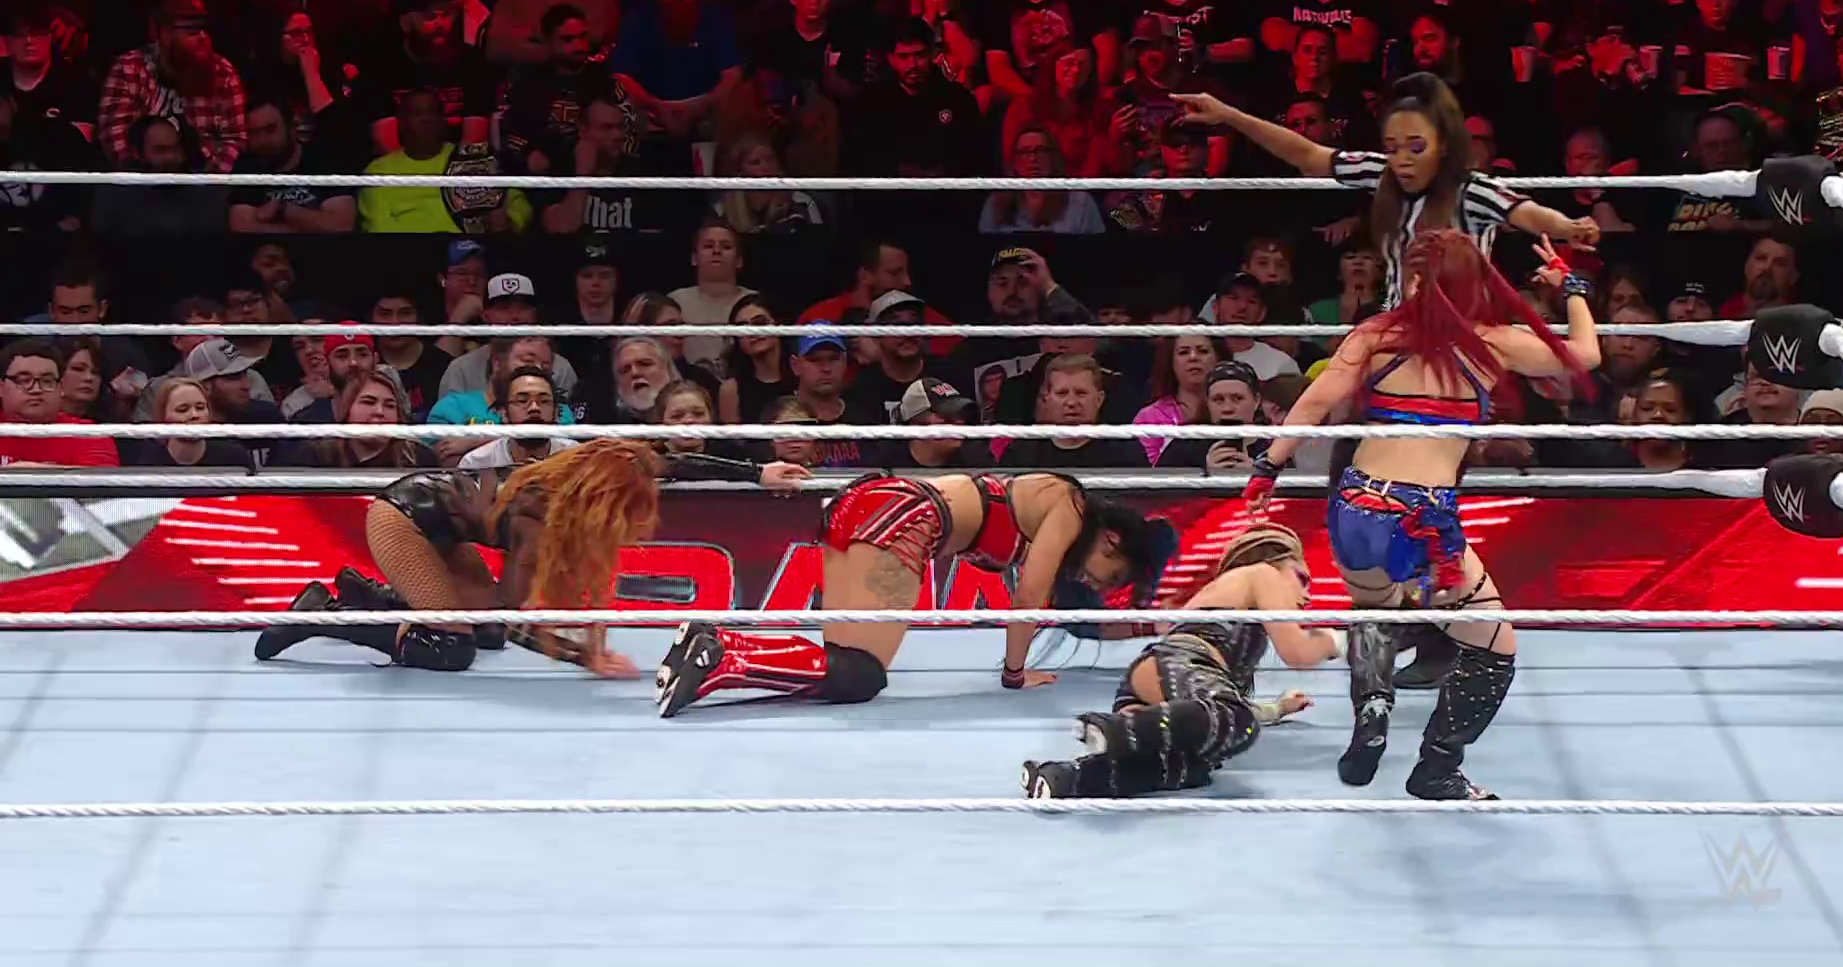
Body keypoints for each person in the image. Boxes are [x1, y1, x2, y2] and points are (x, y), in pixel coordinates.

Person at [1244, 229, 1600, 801]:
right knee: (1494, 646)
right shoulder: (1492, 342)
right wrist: (1572, 287)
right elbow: (1585, 355)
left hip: (1356, 503)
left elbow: (1315, 401)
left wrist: (1269, 466)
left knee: (1372, 611)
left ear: (1411, 280)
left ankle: (1373, 709)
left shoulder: (1376, 333)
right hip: (1420, 516)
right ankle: (1437, 768)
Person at [255, 439, 811, 677]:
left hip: (444, 523)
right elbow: (513, 616)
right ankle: (326, 613)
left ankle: (373, 596)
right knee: (453, 647)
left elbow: (673, 462)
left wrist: (757, 472)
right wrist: (582, 657)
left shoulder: (601, 465)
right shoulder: (538, 522)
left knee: (481, 634)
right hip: (401, 519)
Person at [654, 473, 1179, 716]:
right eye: (1111, 575)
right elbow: (1028, 599)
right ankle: (722, 649)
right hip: (906, 516)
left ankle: (720, 655)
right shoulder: (1071, 505)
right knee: (862, 673)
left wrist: (1158, 624)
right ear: (1112, 540)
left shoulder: (1054, 525)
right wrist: (1015, 675)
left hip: (869, 502)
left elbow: (1073, 616)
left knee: (842, 668)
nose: (1097, 585)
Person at [1171, 73, 1601, 305]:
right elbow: (1307, 154)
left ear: (1443, 145)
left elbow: (1526, 213)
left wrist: (1568, 227)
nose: (1403, 160)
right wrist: (1229, 115)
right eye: (1393, 148)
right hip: (1399, 325)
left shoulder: (1471, 189)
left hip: (1464, 332)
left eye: (1416, 147)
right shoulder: (1381, 173)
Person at [1021, 525, 1346, 798]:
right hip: (1180, 666)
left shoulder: (1238, 611)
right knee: (1240, 723)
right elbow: (1297, 653)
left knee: (1190, 766)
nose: (1307, 596)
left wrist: (1277, 709)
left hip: (1156, 680)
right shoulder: (1262, 574)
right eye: (1302, 578)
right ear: (1276, 560)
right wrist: (1336, 641)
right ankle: (1118, 730)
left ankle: (1063, 778)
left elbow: (1211, 713)